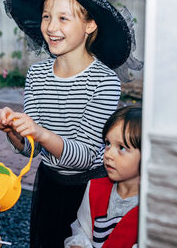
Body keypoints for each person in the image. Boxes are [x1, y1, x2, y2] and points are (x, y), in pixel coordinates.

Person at [0, 0, 133, 246]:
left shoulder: (104, 82)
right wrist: (14, 132)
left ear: (90, 25)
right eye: (47, 16)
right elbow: (30, 149)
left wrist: (40, 133)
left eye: (63, 18)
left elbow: (86, 156)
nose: (51, 27)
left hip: (89, 192)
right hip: (47, 186)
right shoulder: (37, 75)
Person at [64, 106, 141, 248]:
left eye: (122, 148)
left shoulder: (152, 208)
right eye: (107, 143)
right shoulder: (95, 189)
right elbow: (82, 228)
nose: (108, 154)